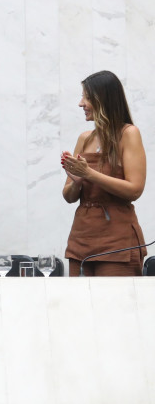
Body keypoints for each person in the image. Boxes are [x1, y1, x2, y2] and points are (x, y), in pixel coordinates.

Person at [61, 70, 146, 276]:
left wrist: (89, 174)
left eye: (86, 97)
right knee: (78, 304)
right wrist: (78, 181)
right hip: (81, 238)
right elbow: (68, 196)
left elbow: (134, 190)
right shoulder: (84, 138)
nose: (81, 104)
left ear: (104, 100)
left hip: (117, 240)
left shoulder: (128, 134)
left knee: (114, 304)